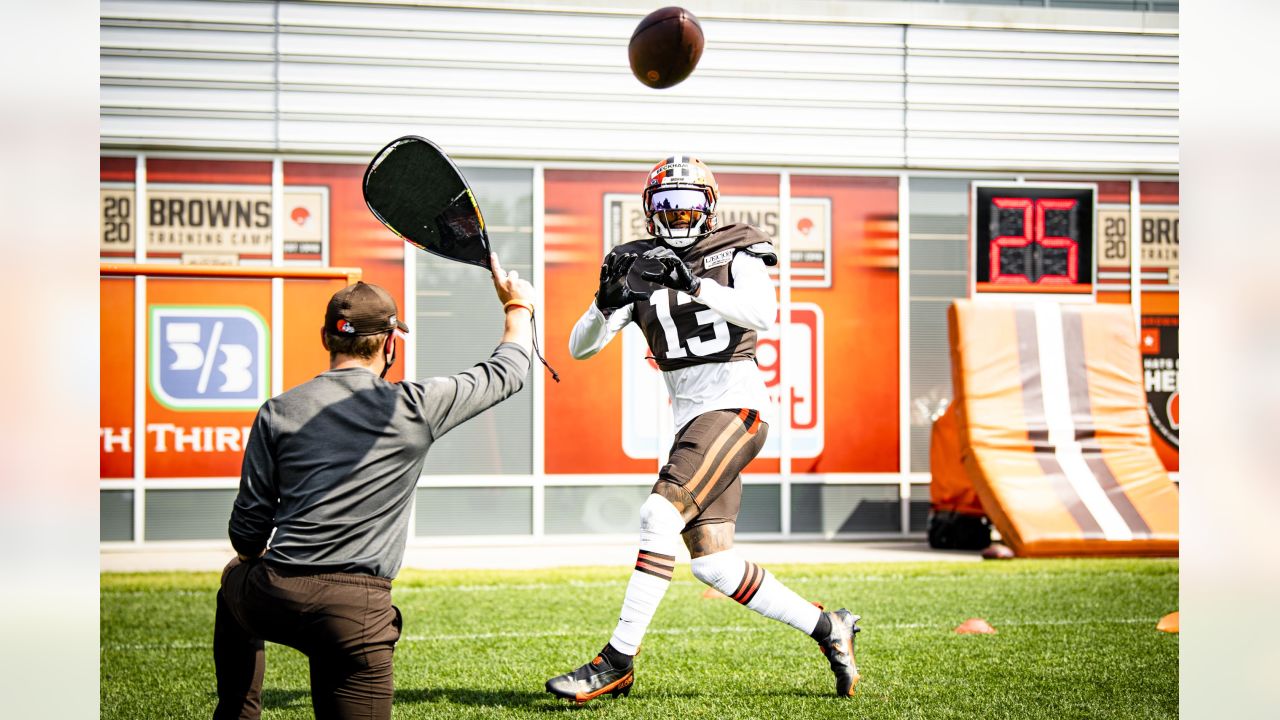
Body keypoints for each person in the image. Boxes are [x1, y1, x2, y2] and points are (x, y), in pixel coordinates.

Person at [545, 155, 862, 703]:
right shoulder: (635, 262)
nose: (678, 213)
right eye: (667, 204)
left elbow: (763, 314)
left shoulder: (736, 248)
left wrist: (693, 281)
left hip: (737, 406)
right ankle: (828, 627)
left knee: (657, 512)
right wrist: (603, 304)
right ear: (649, 210)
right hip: (692, 418)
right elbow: (580, 347)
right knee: (714, 563)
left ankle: (617, 660)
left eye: (689, 203)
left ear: (709, 208)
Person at [213, 255, 534, 720]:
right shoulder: (414, 406)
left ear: (326, 338)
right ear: (389, 344)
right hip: (356, 612)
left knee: (232, 582)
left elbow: (247, 533)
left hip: (275, 594)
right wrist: (517, 307)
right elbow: (507, 372)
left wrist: (251, 562)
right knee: (343, 655)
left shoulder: (277, 410)